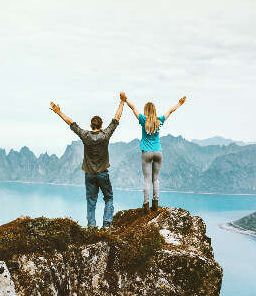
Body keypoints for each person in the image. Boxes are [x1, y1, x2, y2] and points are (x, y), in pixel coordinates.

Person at [50, 96, 124, 227]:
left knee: (91, 201)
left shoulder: (85, 136)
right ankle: (107, 225)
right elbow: (116, 118)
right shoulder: (105, 135)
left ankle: (91, 226)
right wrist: (122, 101)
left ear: (91, 125)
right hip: (103, 173)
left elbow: (71, 123)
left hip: (89, 175)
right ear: (101, 125)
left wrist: (58, 112)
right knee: (109, 198)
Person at [121, 92, 186, 213]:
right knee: (155, 179)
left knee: (146, 179)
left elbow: (133, 108)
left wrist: (125, 99)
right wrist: (180, 103)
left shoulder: (143, 119)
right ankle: (155, 204)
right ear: (155, 111)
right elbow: (170, 111)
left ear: (146, 111)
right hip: (158, 152)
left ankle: (146, 206)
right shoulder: (159, 120)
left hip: (146, 152)